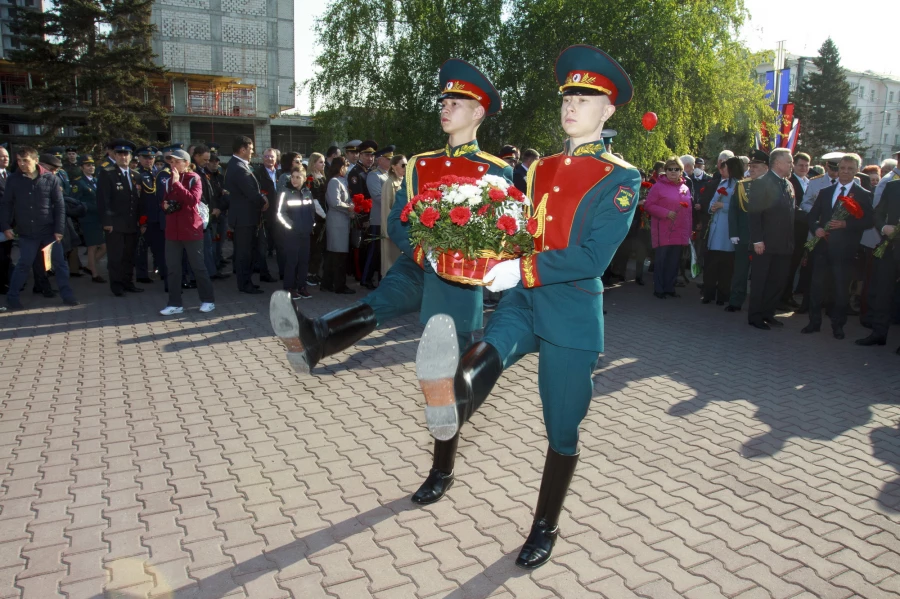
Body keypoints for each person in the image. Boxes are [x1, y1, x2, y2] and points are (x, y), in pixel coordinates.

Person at [412, 44, 639, 569]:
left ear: (607, 111)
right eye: (568, 95)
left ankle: (545, 525)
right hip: (523, 301)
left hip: (571, 313)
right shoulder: (540, 169)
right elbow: (523, 232)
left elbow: (592, 257)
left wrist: (525, 267)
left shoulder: (621, 179)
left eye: (585, 97)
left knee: (561, 429)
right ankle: (448, 402)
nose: (572, 104)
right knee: (483, 356)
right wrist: (489, 252)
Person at [269, 58, 512, 511]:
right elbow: (400, 219)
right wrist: (424, 250)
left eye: (456, 102)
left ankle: (441, 470)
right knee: (377, 304)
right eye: (444, 100)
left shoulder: (496, 171)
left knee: (446, 380)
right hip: (420, 264)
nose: (446, 106)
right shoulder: (420, 165)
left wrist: (469, 255)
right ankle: (316, 339)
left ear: (478, 113)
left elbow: (505, 232)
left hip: (459, 282)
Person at [802, 153, 874, 339]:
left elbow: (869, 221)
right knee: (817, 286)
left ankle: (838, 325)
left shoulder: (863, 195)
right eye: (842, 168)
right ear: (837, 169)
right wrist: (816, 228)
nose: (845, 172)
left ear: (857, 170)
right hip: (822, 248)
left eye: (850, 169)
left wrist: (846, 225)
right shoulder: (826, 191)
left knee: (840, 290)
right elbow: (811, 215)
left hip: (845, 250)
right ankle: (814, 322)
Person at [1, 146, 78, 310]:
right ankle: (12, 298)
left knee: (60, 264)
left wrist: (59, 229)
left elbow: (59, 205)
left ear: (36, 161)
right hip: (27, 232)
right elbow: (6, 204)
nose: (22, 164)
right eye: (19, 161)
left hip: (49, 231)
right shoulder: (14, 180)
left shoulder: (50, 179)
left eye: (25, 160)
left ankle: (67, 296)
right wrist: (5, 226)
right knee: (24, 264)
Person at [159, 149, 215, 315]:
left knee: (198, 267)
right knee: (173, 268)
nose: (173, 164)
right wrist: (165, 205)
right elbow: (164, 201)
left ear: (186, 163)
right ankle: (174, 303)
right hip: (172, 231)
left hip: (191, 229)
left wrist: (177, 184)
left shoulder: (194, 178)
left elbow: (193, 200)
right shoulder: (168, 180)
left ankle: (208, 300)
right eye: (171, 162)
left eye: (176, 161)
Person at [746, 148, 795, 330]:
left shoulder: (787, 184)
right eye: (789, 162)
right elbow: (754, 214)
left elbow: (790, 214)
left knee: (777, 281)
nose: (791, 165)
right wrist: (757, 240)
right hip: (765, 243)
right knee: (761, 281)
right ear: (778, 163)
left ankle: (768, 312)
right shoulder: (762, 183)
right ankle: (755, 316)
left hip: (784, 244)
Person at [856, 177, 900, 352]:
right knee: (882, 291)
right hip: (889, 247)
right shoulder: (893, 186)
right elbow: (878, 213)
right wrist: (883, 228)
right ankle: (879, 333)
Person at [97, 139, 144, 297]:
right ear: (114, 156)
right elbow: (104, 200)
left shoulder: (136, 175)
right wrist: (107, 222)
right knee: (116, 256)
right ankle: (116, 285)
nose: (123, 157)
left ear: (131, 157)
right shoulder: (108, 173)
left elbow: (139, 201)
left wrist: (141, 222)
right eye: (120, 154)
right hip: (115, 224)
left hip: (132, 223)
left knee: (129, 255)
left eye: (126, 154)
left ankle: (128, 282)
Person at [644, 156, 692, 299]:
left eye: (676, 169)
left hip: (679, 231)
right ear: (665, 171)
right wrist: (665, 213)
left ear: (681, 171)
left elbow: (688, 212)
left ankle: (670, 288)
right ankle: (659, 289)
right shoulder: (658, 186)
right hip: (663, 230)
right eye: (669, 169)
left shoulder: (685, 188)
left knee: (674, 262)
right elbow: (648, 205)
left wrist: (688, 232)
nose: (672, 172)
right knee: (661, 261)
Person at [225, 136, 267, 294]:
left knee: (248, 251)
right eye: (250, 149)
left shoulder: (239, 165)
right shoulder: (238, 167)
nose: (252, 152)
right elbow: (250, 192)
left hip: (247, 216)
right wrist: (263, 201)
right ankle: (244, 284)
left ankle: (247, 280)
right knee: (244, 253)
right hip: (244, 218)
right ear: (242, 149)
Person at [725, 156, 764, 313]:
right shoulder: (742, 186)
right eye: (751, 166)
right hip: (743, 235)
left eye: (756, 166)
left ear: (766, 168)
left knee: (760, 273)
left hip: (762, 238)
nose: (751, 169)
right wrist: (733, 233)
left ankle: (758, 303)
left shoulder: (772, 186)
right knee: (740, 271)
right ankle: (735, 300)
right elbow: (733, 211)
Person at [703, 157, 743, 304]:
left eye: (725, 168)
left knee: (726, 267)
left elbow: (741, 209)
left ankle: (723, 295)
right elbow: (713, 201)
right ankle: (708, 293)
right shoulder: (723, 183)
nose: (722, 170)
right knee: (712, 265)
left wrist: (723, 206)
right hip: (715, 228)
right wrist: (712, 207)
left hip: (728, 231)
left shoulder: (740, 185)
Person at [277, 166, 318, 300]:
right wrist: (291, 226)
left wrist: (311, 224)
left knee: (304, 261)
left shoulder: (307, 192)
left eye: (298, 177)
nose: (294, 180)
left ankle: (302, 287)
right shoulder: (286, 192)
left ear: (304, 178)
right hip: (292, 234)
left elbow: (312, 210)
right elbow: (280, 214)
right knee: (292, 261)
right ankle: (289, 288)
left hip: (305, 233)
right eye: (293, 177)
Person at [362, 144, 395, 288]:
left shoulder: (389, 175)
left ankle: (383, 277)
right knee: (374, 251)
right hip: (378, 219)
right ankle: (366, 278)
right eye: (388, 159)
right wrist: (396, 203)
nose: (391, 162)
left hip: (389, 218)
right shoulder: (374, 175)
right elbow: (377, 196)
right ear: (380, 160)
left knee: (386, 251)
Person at [71, 155, 106, 283]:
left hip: (98, 218)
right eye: (87, 165)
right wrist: (90, 207)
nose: (91, 167)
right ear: (81, 167)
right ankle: (94, 274)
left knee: (102, 246)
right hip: (88, 218)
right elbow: (75, 201)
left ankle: (89, 267)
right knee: (93, 246)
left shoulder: (95, 180)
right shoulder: (79, 182)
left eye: (92, 165)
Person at [783, 152, 811, 309]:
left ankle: (790, 295)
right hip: (794, 229)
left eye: (807, 165)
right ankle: (784, 296)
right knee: (790, 265)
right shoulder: (790, 182)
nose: (804, 168)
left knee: (798, 266)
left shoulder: (810, 182)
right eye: (801, 165)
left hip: (807, 230)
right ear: (794, 166)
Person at [322, 157, 354, 294]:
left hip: (342, 221)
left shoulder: (342, 181)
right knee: (338, 254)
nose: (346, 169)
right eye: (345, 166)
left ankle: (328, 283)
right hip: (336, 222)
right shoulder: (334, 182)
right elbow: (334, 202)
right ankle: (339, 285)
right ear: (340, 167)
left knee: (335, 254)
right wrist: (349, 207)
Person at [134, 146, 163, 285]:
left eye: (151, 158)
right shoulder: (136, 174)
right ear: (139, 158)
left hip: (158, 217)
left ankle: (161, 271)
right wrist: (141, 220)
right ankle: (142, 274)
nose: (148, 160)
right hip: (145, 217)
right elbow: (137, 199)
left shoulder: (158, 173)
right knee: (141, 248)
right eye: (145, 157)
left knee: (159, 247)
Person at [255, 148, 281, 282]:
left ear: (276, 158)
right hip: (264, 215)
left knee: (281, 244)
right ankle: (264, 273)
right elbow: (255, 191)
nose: (269, 159)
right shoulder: (257, 173)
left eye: (271, 157)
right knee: (262, 247)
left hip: (279, 215)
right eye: (266, 156)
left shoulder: (280, 174)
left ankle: (283, 272)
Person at [380, 154, 405, 276]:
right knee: (390, 261)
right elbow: (386, 208)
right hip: (392, 228)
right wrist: (388, 231)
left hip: (402, 227)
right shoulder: (389, 183)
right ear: (394, 167)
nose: (405, 168)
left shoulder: (404, 182)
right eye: (403, 165)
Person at [306, 152, 328, 286]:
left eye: (324, 162)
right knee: (314, 247)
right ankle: (310, 274)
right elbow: (314, 200)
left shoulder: (322, 177)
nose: (323, 164)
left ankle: (315, 273)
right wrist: (325, 215)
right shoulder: (310, 179)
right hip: (317, 217)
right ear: (313, 163)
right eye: (320, 162)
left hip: (323, 216)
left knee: (319, 248)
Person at [0, 146, 11, 293]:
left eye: (7, 156)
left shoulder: (9, 175)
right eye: (2, 156)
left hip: (9, 223)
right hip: (1, 225)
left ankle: (6, 281)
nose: (5, 158)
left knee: (6, 256)